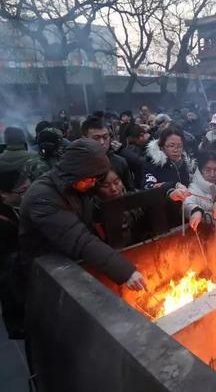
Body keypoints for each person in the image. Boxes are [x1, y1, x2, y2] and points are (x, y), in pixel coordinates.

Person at [18, 139, 146, 309]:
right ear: (75, 172)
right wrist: (125, 272)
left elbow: (114, 201)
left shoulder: (79, 185)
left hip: (72, 261)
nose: (93, 184)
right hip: (47, 270)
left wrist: (167, 190)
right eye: (90, 179)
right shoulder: (43, 197)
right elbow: (78, 238)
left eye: (96, 179)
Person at [0, 166, 30, 338]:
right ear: (4, 194)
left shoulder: (10, 208)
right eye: (22, 192)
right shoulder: (3, 225)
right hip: (13, 284)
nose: (26, 195)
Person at [81, 116, 135, 191]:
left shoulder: (119, 162)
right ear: (84, 139)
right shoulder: (79, 164)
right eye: (96, 138)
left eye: (105, 137)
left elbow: (130, 191)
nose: (102, 142)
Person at [184, 151, 216, 231]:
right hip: (203, 231)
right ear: (201, 170)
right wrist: (196, 211)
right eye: (208, 170)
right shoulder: (194, 188)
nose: (212, 174)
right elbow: (186, 203)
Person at [142, 126, 192, 201]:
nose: (176, 150)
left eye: (179, 146)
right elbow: (148, 188)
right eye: (171, 146)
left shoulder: (185, 164)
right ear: (162, 147)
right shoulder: (152, 164)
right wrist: (173, 185)